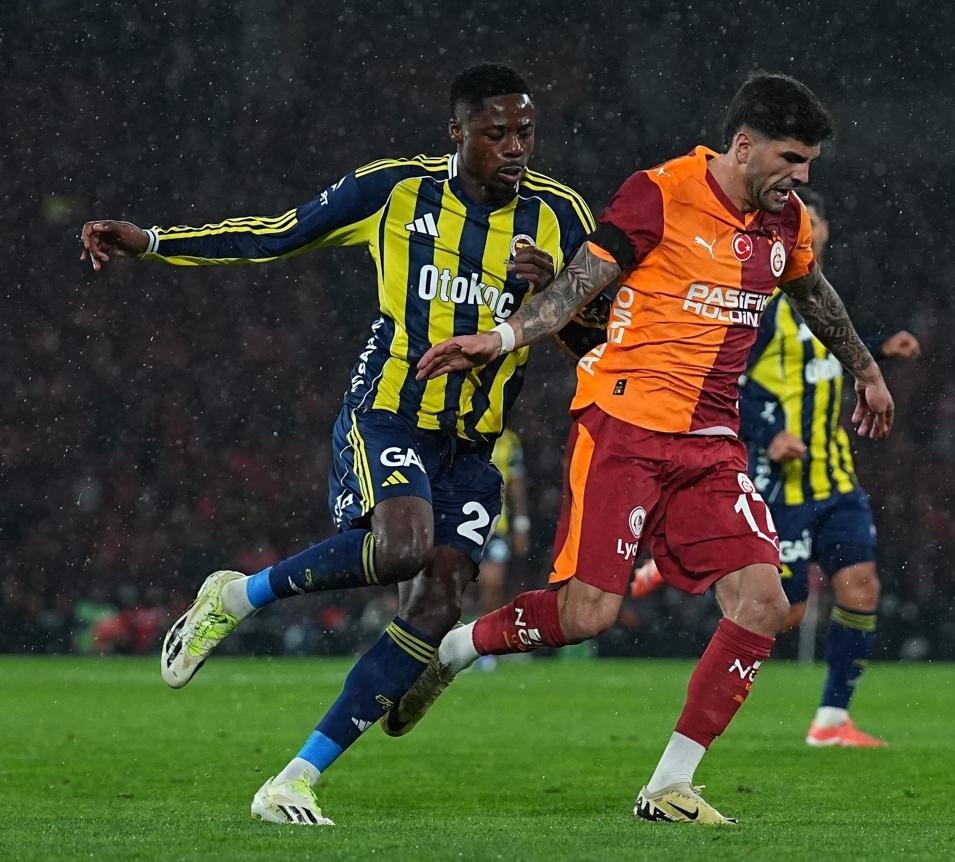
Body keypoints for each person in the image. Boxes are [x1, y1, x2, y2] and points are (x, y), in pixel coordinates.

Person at [78, 64, 597, 827]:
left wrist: (557, 291)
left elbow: (598, 341)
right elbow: (276, 235)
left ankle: (293, 780)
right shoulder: (394, 191)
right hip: (388, 414)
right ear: (457, 133)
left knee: (438, 604)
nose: (515, 148)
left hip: (475, 445)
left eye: (525, 132)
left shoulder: (560, 214)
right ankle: (236, 597)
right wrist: (155, 242)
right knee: (402, 548)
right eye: (496, 134)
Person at [405, 72, 895, 824]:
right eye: (791, 159)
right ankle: (461, 646)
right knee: (587, 616)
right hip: (624, 429)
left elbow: (813, 294)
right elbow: (576, 287)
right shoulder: (660, 193)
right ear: (743, 146)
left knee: (764, 602)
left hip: (712, 444)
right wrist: (497, 339)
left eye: (809, 164)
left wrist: (866, 371)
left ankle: (669, 784)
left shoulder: (787, 223)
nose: (801, 178)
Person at [632, 188, 920, 747]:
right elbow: (725, 380)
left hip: (835, 477)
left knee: (861, 587)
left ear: (824, 231)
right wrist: (769, 435)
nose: (808, 228)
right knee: (784, 610)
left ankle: (832, 720)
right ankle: (684, 555)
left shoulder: (823, 302)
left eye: (815, 220)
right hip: (779, 483)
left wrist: (881, 349)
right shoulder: (759, 304)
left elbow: (828, 354)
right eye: (798, 219)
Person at [477, 428, 530, 614]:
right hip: (461, 520)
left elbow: (516, 484)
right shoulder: (459, 430)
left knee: (493, 582)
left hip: (497, 524)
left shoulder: (509, 440)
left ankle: (483, 628)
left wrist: (521, 525)